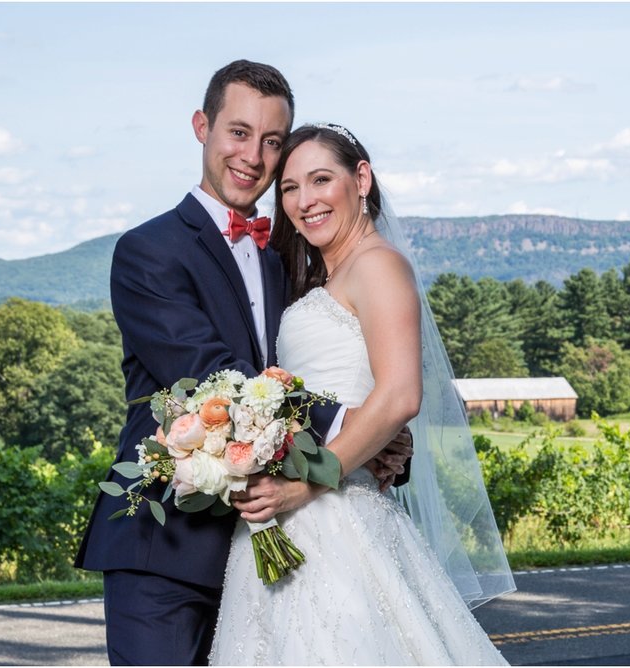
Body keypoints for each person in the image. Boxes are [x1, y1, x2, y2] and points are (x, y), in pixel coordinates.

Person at [74, 61, 411, 666]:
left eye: (271, 141)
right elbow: (214, 375)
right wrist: (353, 424)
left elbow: (336, 363)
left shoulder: (290, 261)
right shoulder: (148, 252)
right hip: (165, 544)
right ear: (202, 127)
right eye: (238, 132)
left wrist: (381, 433)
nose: (253, 155)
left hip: (274, 543)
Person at [209, 123, 515, 665]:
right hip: (291, 515)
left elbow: (399, 397)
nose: (305, 201)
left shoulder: (378, 264)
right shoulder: (326, 277)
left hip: (334, 511)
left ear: (362, 178)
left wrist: (304, 487)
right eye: (290, 188)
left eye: (321, 180)